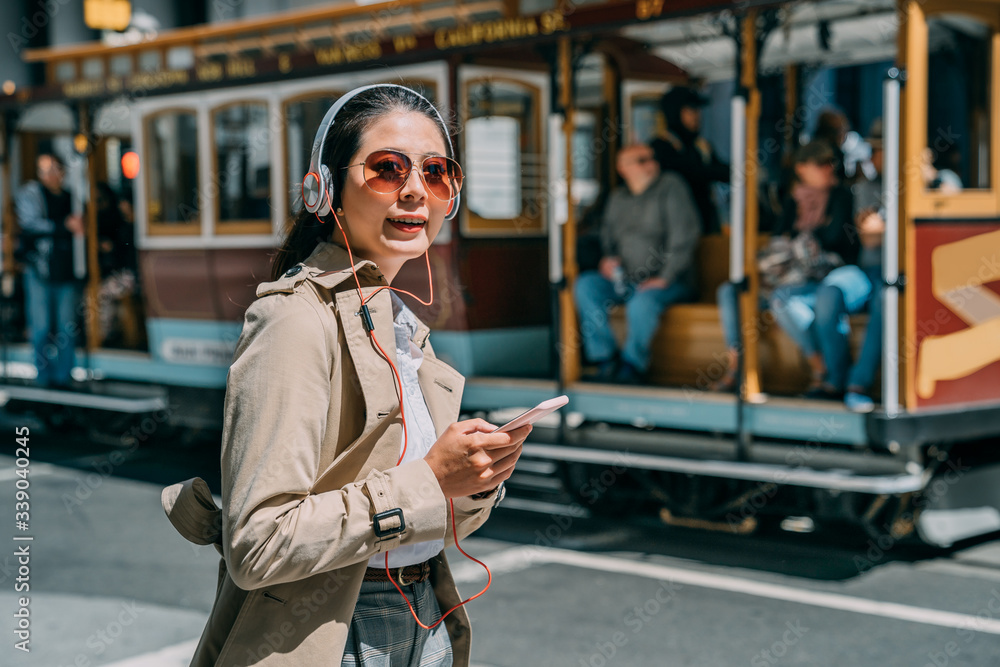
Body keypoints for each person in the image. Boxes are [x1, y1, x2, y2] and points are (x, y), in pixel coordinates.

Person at [161, 85, 531, 667]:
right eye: (387, 168)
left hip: (424, 614)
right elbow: (258, 542)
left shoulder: (401, 326)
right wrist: (431, 480)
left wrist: (475, 480)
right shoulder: (294, 320)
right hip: (335, 627)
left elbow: (422, 513)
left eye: (437, 173)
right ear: (324, 188)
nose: (415, 190)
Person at [714, 141, 859, 395]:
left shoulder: (842, 196)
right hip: (786, 277)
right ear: (801, 168)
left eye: (831, 163)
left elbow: (835, 239)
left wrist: (798, 245)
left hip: (820, 278)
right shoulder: (793, 199)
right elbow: (778, 238)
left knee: (782, 301)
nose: (828, 169)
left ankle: (820, 368)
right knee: (731, 291)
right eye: (821, 164)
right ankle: (737, 368)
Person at [574, 143, 700, 384]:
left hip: (671, 282)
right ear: (623, 168)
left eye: (651, 158)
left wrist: (665, 276)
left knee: (641, 302)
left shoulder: (671, 186)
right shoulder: (617, 198)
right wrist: (607, 262)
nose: (650, 163)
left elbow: (685, 237)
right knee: (586, 285)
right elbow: (607, 240)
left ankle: (632, 366)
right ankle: (605, 359)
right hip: (625, 280)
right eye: (641, 160)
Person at [15, 153, 84, 389]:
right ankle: (43, 378)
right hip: (40, 271)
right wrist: (62, 226)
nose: (49, 175)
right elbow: (30, 224)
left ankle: (64, 377)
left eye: (53, 169)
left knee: (66, 327)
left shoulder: (71, 197)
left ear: (62, 172)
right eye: (43, 170)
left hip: (66, 270)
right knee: (41, 326)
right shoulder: (31, 194)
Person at [650, 86, 729, 234]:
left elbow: (723, 172)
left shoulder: (701, 146)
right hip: (674, 225)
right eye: (691, 110)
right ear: (674, 112)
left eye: (698, 110)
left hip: (706, 222)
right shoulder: (661, 146)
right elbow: (691, 171)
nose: (697, 116)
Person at [95, 183, 137, 346]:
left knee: (100, 293)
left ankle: (103, 335)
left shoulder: (134, 226)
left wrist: (112, 248)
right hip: (126, 275)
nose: (121, 206)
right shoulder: (125, 223)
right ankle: (114, 331)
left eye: (124, 202)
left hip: (132, 277)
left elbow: (126, 255)